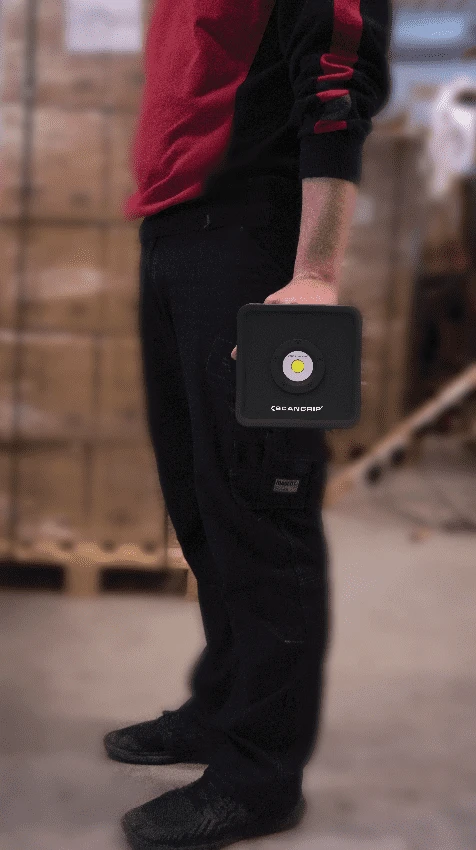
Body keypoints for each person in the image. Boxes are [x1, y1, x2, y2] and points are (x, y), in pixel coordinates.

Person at [104, 1, 392, 847]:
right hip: (173, 234)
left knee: (259, 506)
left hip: (249, 238)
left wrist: (315, 273)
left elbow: (336, 76)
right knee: (199, 500)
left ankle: (261, 774)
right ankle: (226, 703)